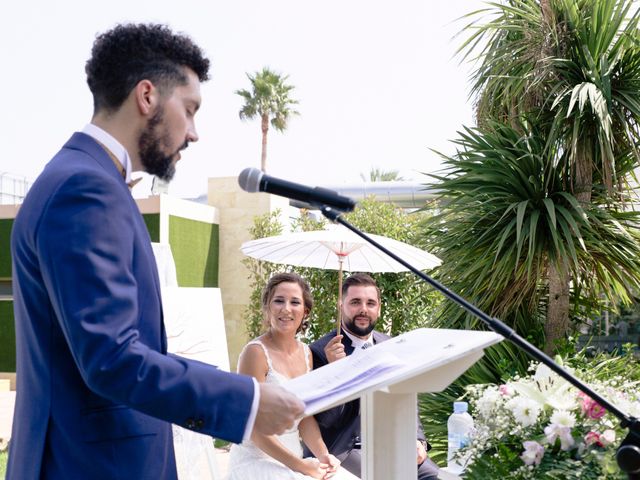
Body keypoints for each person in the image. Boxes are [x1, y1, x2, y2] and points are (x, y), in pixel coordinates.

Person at [7, 23, 303, 480]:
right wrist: (247, 401)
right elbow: (112, 357)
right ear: (147, 97)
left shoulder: (83, 179)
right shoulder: (87, 190)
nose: (194, 133)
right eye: (190, 109)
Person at [308, 273, 440, 480]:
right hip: (348, 448)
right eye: (355, 302)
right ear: (341, 305)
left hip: (394, 443)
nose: (363, 309)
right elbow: (324, 422)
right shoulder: (319, 352)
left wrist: (417, 440)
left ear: (378, 308)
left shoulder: (392, 345)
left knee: (437, 477)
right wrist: (336, 372)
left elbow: (406, 397)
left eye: (370, 303)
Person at [228, 272, 357, 480]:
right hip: (258, 460)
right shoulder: (255, 353)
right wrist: (302, 468)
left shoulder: (307, 353)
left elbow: (304, 417)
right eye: (279, 301)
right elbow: (254, 427)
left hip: (294, 460)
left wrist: (324, 456)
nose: (286, 309)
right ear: (268, 307)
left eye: (294, 302)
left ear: (305, 312)